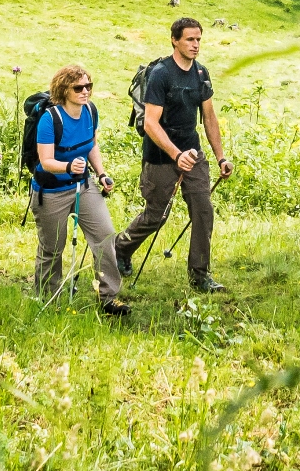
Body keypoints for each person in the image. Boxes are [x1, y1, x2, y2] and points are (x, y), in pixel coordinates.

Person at [116, 16, 232, 292]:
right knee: (156, 216)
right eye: (190, 39)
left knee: (203, 211)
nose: (195, 45)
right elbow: (150, 123)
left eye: (199, 39)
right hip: (160, 156)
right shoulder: (161, 74)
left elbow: (209, 117)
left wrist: (221, 157)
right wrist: (175, 155)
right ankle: (120, 249)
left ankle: (200, 276)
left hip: (192, 153)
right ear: (175, 40)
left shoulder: (201, 73)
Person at [32, 65, 130, 316]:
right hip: (51, 191)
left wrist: (102, 173)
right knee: (52, 248)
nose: (85, 91)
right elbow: (46, 161)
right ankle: (47, 299)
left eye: (88, 86)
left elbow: (91, 145)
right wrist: (67, 166)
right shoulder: (50, 119)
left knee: (105, 236)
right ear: (64, 90)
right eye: (78, 88)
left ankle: (108, 298)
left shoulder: (90, 111)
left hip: (83, 186)